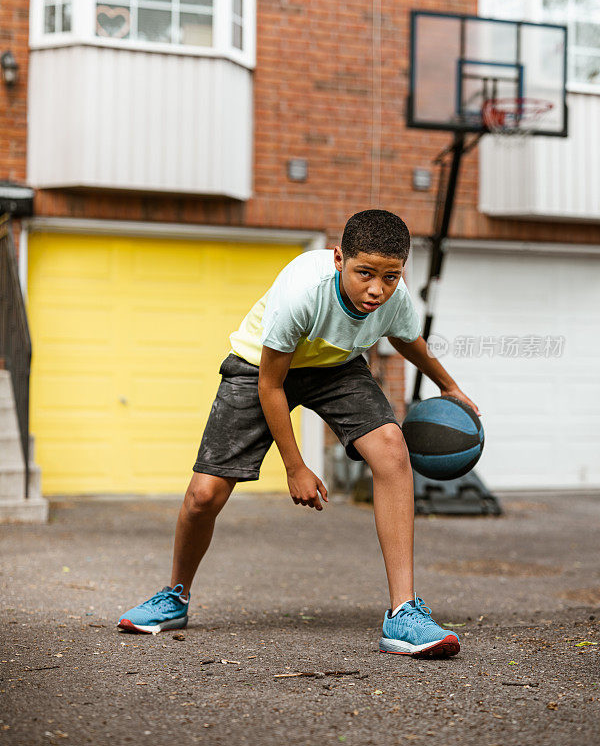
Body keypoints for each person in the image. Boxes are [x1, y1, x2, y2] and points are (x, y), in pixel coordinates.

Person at [117, 209, 479, 657]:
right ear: (338, 258)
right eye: (365, 273)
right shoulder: (303, 295)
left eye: (390, 277)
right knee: (204, 495)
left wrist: (448, 384)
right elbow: (271, 385)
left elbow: (407, 338)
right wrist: (295, 467)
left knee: (391, 448)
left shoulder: (394, 295)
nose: (376, 289)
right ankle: (174, 596)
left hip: (336, 366)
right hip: (259, 367)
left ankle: (403, 612)